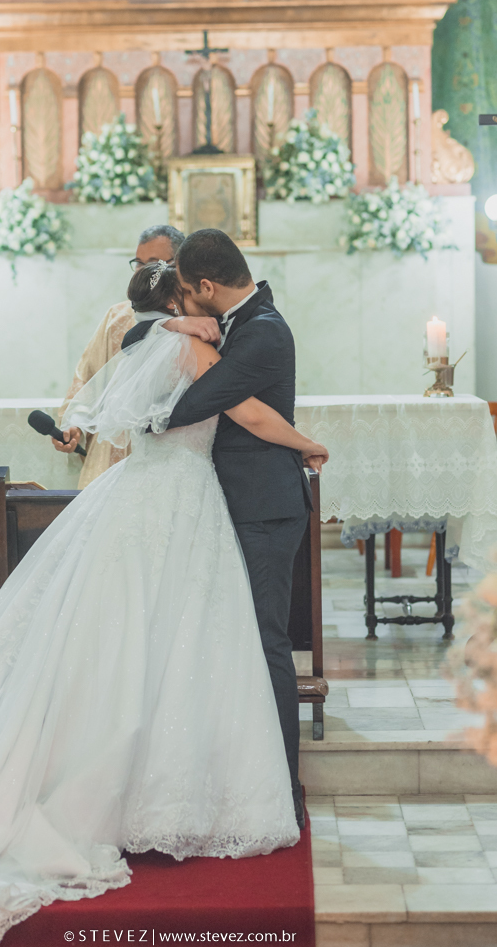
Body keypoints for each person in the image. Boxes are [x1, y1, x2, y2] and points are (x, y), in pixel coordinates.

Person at [0, 261, 328, 947]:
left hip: (139, 491)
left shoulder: (143, 339)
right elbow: (243, 410)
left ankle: (115, 785)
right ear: (186, 297)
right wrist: (310, 443)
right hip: (184, 498)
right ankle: (165, 794)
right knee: (183, 637)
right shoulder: (195, 344)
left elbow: (126, 405)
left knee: (126, 635)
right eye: (190, 295)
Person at [120, 229, 319, 830]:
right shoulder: (222, 322)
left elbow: (215, 402)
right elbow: (135, 333)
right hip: (223, 502)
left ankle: (284, 784)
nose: (181, 301)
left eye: (184, 293)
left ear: (205, 287)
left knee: (266, 642)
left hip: (263, 508)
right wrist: (172, 326)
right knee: (219, 642)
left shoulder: (262, 332)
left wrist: (152, 421)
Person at [54, 223, 185, 487]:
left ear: (180, 265)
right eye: (139, 263)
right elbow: (86, 381)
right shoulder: (117, 318)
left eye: (156, 263)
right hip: (111, 451)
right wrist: (75, 425)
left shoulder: (195, 317)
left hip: (169, 451)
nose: (146, 272)